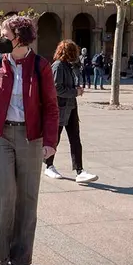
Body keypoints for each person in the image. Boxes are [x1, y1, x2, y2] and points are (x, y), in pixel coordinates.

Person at [0, 15, 58, 265]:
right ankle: (0, 256)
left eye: (4, 35)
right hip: (0, 135)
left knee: (27, 196)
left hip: (30, 137)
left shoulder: (40, 66)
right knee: (3, 193)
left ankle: (21, 257)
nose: (0, 39)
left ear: (19, 38)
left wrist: (50, 141)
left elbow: (52, 107)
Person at [44, 40, 99, 184]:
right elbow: (56, 89)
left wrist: (76, 88)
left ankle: (80, 170)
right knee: (55, 138)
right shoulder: (58, 66)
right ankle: (48, 165)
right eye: (74, 52)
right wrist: (76, 91)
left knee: (75, 139)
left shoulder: (68, 66)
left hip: (70, 107)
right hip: (59, 108)